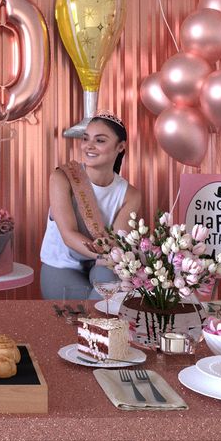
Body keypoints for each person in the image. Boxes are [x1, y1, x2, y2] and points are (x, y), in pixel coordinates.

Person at [40, 112, 141, 300]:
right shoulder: (62, 178)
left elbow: (115, 243)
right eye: (85, 139)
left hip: (102, 265)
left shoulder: (130, 195)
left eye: (100, 140)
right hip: (63, 265)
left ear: (120, 146)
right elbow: (69, 235)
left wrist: (110, 259)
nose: (89, 146)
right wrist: (105, 257)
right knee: (91, 311)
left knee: (111, 292)